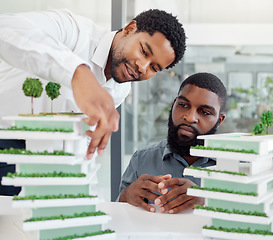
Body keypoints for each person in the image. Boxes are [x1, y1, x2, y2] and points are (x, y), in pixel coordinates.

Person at [0, 8, 186, 195]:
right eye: (144, 51)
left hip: (41, 167)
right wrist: (78, 72)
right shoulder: (73, 31)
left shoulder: (121, 88)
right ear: (129, 29)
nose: (142, 67)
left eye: (154, 67)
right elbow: (6, 27)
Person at [118, 72, 226, 214]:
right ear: (174, 103)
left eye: (205, 112)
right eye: (183, 105)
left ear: (219, 121)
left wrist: (207, 201)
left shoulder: (236, 166)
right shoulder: (141, 159)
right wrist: (126, 196)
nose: (189, 117)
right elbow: (118, 216)